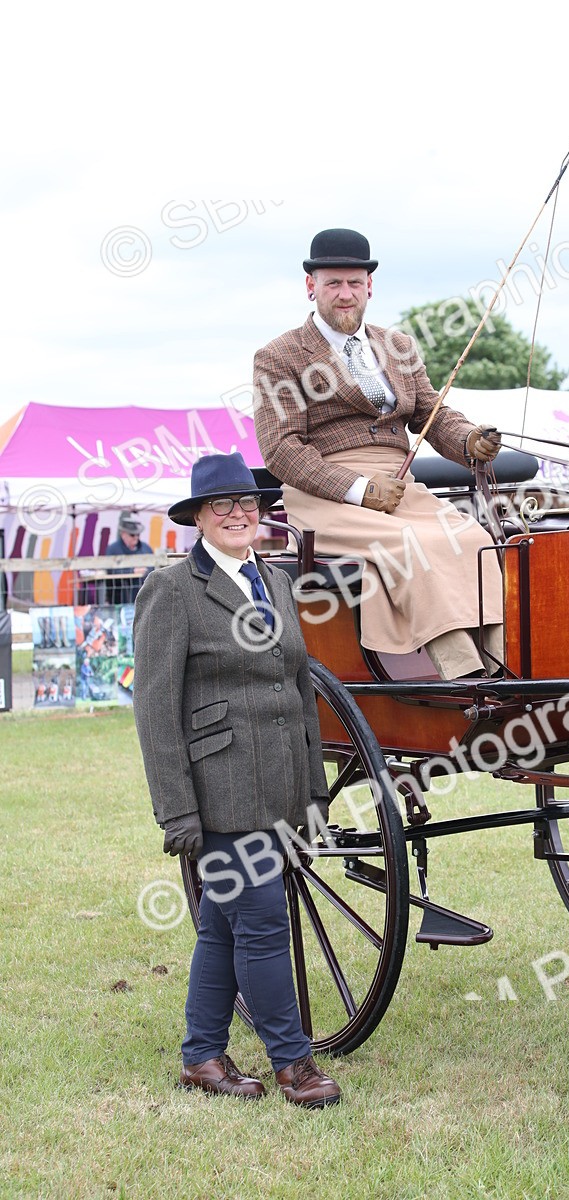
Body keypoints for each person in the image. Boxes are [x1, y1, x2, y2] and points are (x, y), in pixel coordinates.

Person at [132, 452, 340, 1109]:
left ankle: (200, 1057)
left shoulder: (275, 581)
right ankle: (295, 1065)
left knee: (222, 926)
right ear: (197, 517)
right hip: (219, 793)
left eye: (247, 504)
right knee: (262, 923)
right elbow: (155, 712)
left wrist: (312, 790)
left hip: (280, 787)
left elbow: (297, 688)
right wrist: (177, 814)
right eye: (221, 505)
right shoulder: (172, 591)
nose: (237, 515)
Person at [253, 227, 505, 681]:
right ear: (311, 287)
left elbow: (431, 412)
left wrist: (468, 440)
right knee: (416, 545)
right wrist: (359, 490)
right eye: (333, 283)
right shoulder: (279, 355)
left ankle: (502, 665)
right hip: (326, 494)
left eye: (354, 283)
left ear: (370, 285)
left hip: (398, 484)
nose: (344, 294)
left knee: (476, 541)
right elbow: (281, 448)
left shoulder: (398, 346)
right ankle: (464, 675)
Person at [104, 512, 154, 605]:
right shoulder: (113, 549)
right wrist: (132, 571)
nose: (136, 537)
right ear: (123, 534)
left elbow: (153, 567)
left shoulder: (146, 548)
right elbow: (110, 570)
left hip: (144, 598)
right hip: (119, 599)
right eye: (132, 534)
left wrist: (145, 570)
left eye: (138, 534)